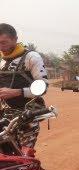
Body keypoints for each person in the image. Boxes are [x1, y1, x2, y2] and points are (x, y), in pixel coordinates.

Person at [0, 23, 48, 152]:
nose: (1, 47)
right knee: (6, 156)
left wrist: (17, 92)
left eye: (3, 42)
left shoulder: (31, 57)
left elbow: (43, 87)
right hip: (5, 116)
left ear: (15, 39)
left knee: (24, 157)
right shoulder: (2, 60)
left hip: (27, 116)